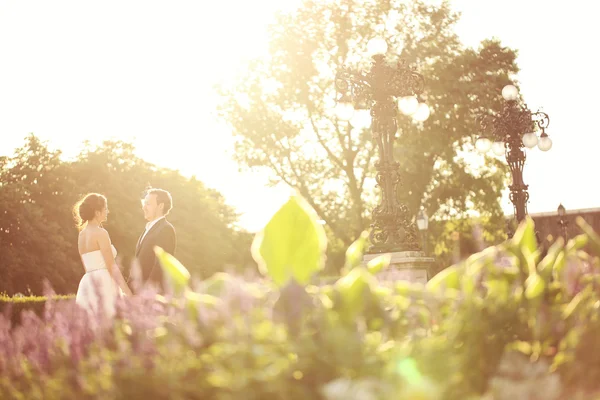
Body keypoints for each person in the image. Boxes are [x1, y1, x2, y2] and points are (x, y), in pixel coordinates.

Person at [73, 193, 132, 317]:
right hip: (104, 283)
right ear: (97, 212)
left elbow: (87, 266)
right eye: (105, 208)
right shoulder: (101, 233)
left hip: (87, 283)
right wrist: (128, 292)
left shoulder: (81, 235)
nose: (107, 211)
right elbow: (111, 267)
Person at [130, 188, 176, 292]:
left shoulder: (166, 229)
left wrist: (146, 293)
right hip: (136, 293)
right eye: (144, 203)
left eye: (148, 204)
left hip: (149, 296)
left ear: (160, 206)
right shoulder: (147, 229)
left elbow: (161, 265)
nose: (143, 207)